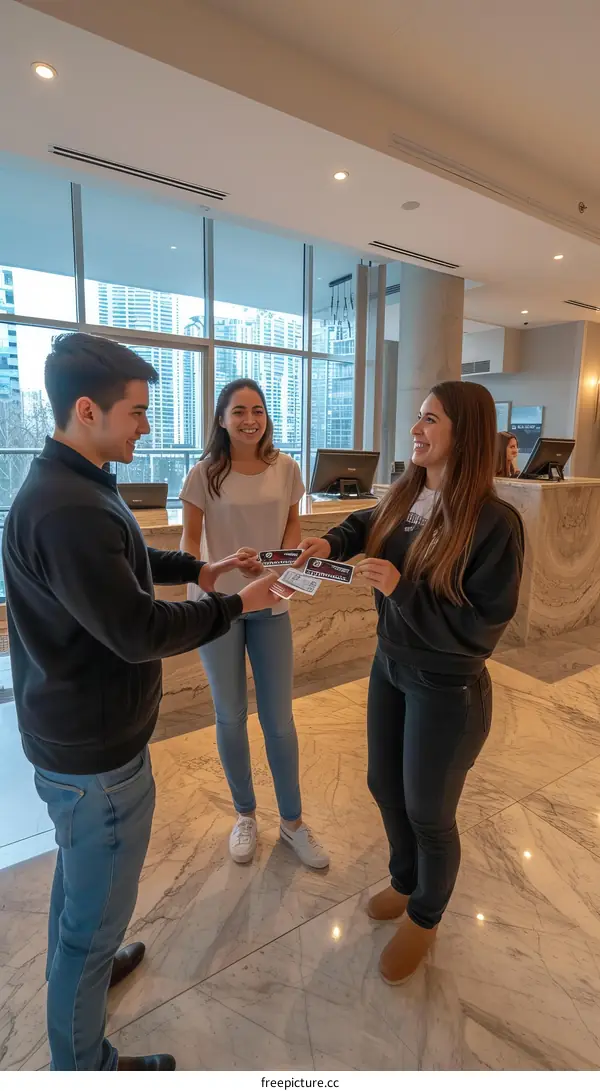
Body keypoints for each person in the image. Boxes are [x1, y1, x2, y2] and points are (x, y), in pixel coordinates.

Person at [2, 334, 279, 1071]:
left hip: (72, 739)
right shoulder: (67, 507)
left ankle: (90, 955)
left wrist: (200, 565)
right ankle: (85, 1063)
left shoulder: (77, 480)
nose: (146, 428)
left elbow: (127, 559)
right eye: (136, 412)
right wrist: (234, 602)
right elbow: (137, 629)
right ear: (87, 408)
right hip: (95, 754)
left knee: (78, 879)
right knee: (86, 930)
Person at [295, 381, 524, 984]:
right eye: (417, 418)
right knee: (381, 782)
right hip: (390, 664)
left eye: (429, 420)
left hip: (447, 685)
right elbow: (366, 521)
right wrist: (329, 541)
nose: (415, 430)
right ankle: (405, 878)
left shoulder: (496, 524)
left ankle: (426, 913)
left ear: (464, 433)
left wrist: (401, 589)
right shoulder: (410, 492)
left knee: (429, 811)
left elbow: (481, 627)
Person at [180, 379, 328, 870]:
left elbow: (292, 528)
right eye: (239, 410)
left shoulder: (285, 468)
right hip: (219, 606)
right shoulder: (203, 474)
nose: (250, 419)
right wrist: (214, 574)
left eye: (258, 410)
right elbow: (189, 545)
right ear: (221, 418)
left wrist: (278, 570)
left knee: (279, 719)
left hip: (272, 601)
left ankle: (292, 823)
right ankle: (245, 814)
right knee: (229, 715)